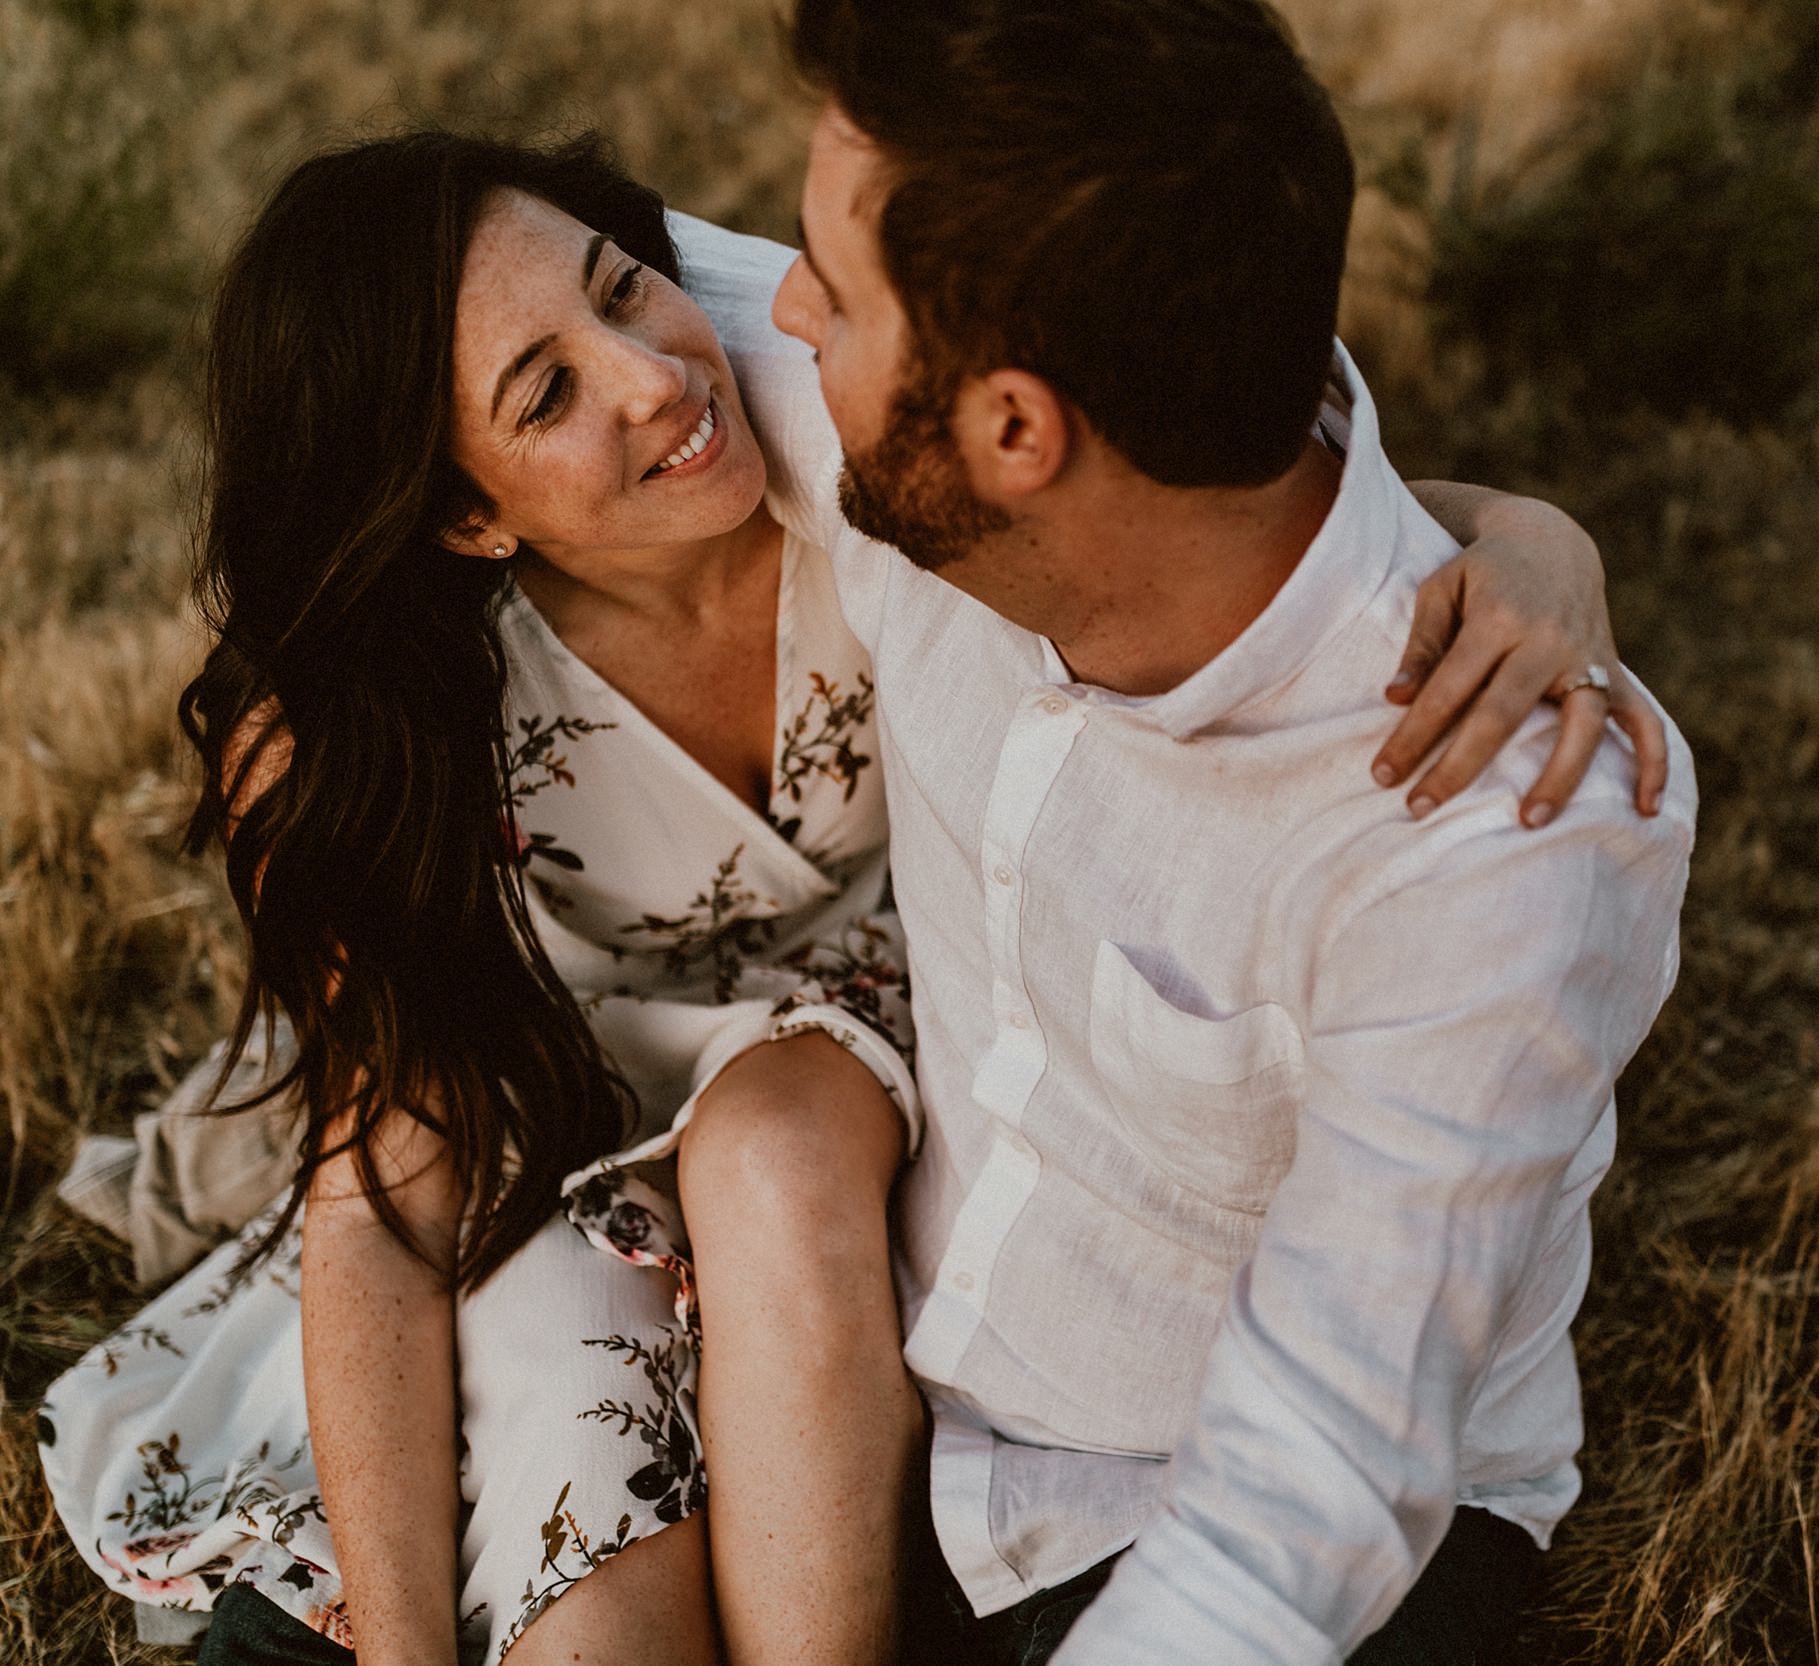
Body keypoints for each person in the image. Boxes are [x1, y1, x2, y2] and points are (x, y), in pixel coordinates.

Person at [36, 131, 1663, 1666]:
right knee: (577, 1532)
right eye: (549, 393)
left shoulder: (839, 453)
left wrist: (1539, 543)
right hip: (567, 1116)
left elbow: (1219, 528)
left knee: (782, 1143)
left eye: (624, 289)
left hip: (896, 1049)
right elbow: (385, 1188)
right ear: (465, 511)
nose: (656, 376)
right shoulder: (361, 735)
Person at [757, 1, 1701, 1661]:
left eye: (830, 292)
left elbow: (1305, 1492)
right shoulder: (943, 455)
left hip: (1231, 1531)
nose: (781, 312)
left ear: (1016, 432)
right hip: (873, 1412)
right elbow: (501, 286)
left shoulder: (1492, 833)